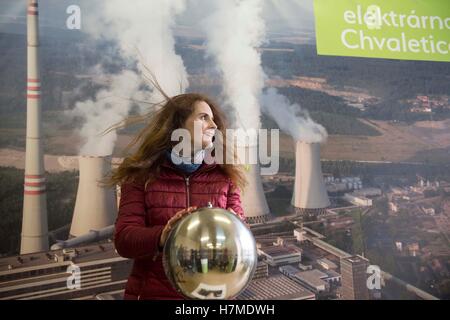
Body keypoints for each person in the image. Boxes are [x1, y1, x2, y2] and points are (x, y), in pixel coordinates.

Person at [106, 92, 247, 300]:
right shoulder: (141, 176)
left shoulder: (225, 178)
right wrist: (163, 236)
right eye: (203, 117)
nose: (214, 126)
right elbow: (124, 239)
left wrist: (237, 231)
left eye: (213, 119)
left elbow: (240, 235)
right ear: (177, 126)